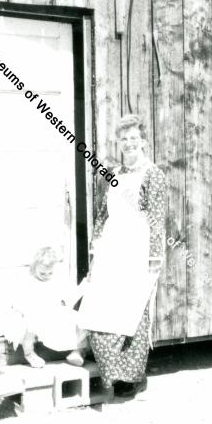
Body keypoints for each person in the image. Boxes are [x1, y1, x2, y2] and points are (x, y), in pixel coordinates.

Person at [77, 114, 167, 399]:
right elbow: (103, 215)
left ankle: (133, 378)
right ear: (118, 143)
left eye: (133, 139)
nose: (128, 144)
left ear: (143, 142)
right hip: (110, 250)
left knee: (132, 309)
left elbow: (156, 217)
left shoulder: (153, 174)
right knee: (100, 306)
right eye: (123, 139)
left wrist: (153, 256)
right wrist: (95, 249)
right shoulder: (113, 174)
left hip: (137, 250)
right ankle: (111, 374)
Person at [6, 246, 87, 368]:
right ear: (34, 268)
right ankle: (29, 353)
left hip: (52, 314)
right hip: (35, 313)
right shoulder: (30, 282)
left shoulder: (56, 282)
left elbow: (69, 298)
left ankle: (78, 351)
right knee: (29, 325)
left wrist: (84, 285)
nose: (46, 276)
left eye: (50, 273)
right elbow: (20, 302)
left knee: (78, 319)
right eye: (42, 273)